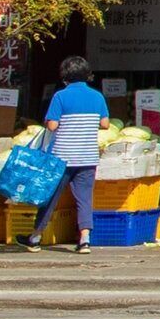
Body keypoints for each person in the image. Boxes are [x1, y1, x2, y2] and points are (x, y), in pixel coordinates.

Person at [39, 57, 110, 252]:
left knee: (50, 197)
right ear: (87, 75)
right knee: (84, 199)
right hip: (87, 156)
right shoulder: (97, 96)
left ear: (65, 76)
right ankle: (85, 239)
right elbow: (105, 124)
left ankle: (35, 236)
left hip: (63, 157)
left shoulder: (60, 96)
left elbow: (52, 125)